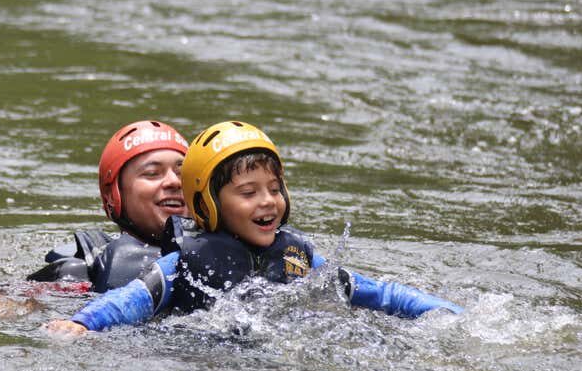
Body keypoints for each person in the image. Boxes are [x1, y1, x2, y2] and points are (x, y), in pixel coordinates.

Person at [47, 121, 463, 335]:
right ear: (208, 202)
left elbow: (378, 293)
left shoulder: (296, 254)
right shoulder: (178, 265)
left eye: (274, 188)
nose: (266, 201)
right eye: (248, 192)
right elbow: (129, 302)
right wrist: (82, 323)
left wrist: (443, 311)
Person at [27, 119, 190, 292]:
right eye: (152, 173)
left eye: (183, 173)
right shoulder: (77, 276)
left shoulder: (217, 253)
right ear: (113, 196)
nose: (174, 182)